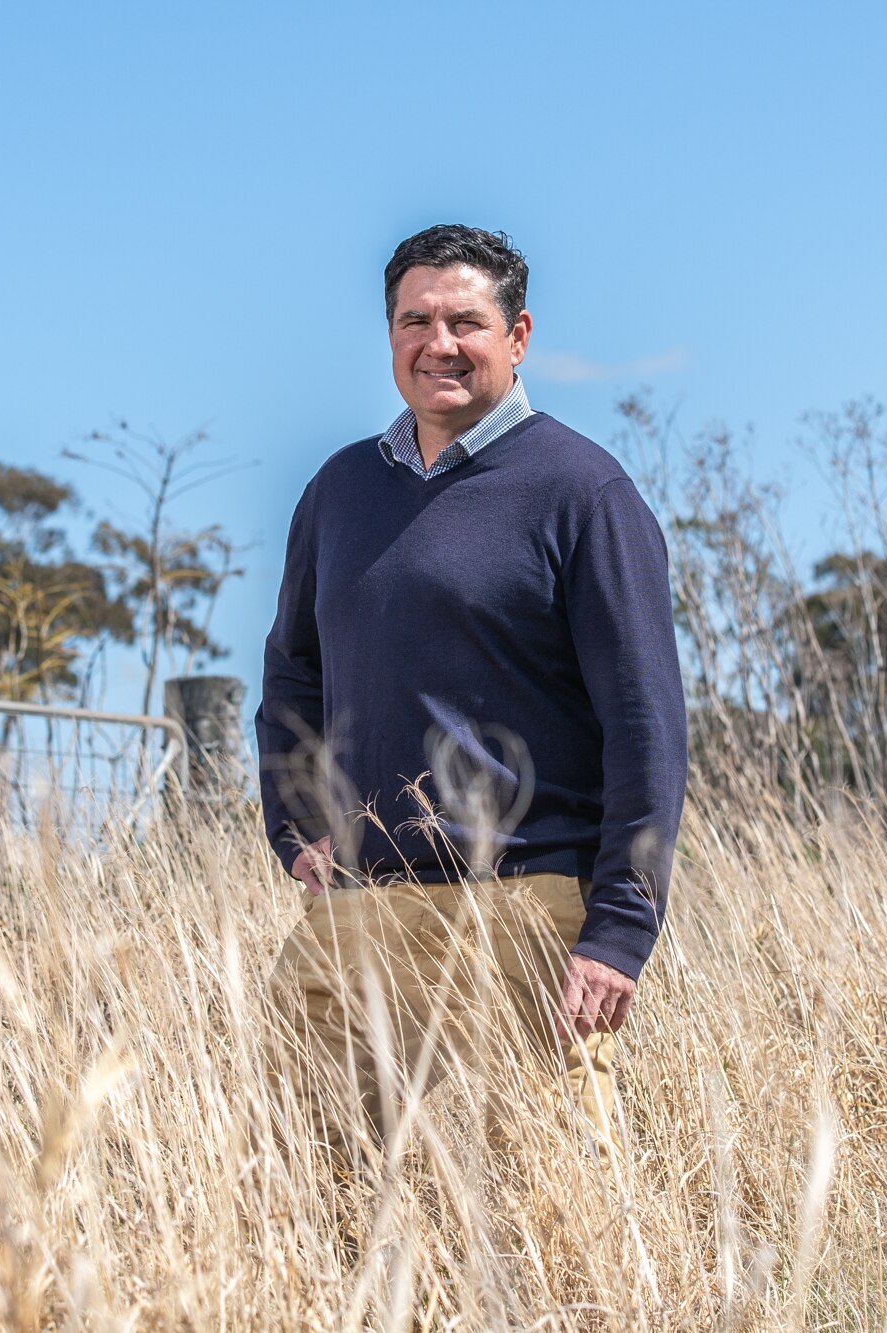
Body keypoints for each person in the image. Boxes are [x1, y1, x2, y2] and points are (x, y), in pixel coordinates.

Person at [256, 224, 688, 1155]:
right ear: (389, 336)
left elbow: (646, 726)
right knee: (301, 1181)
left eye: (466, 321)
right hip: (357, 909)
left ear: (519, 336)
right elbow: (293, 668)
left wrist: (617, 929)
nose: (438, 343)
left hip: (524, 908)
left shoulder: (583, 493)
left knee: (538, 1214)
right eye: (415, 320)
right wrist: (296, 823)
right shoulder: (338, 491)